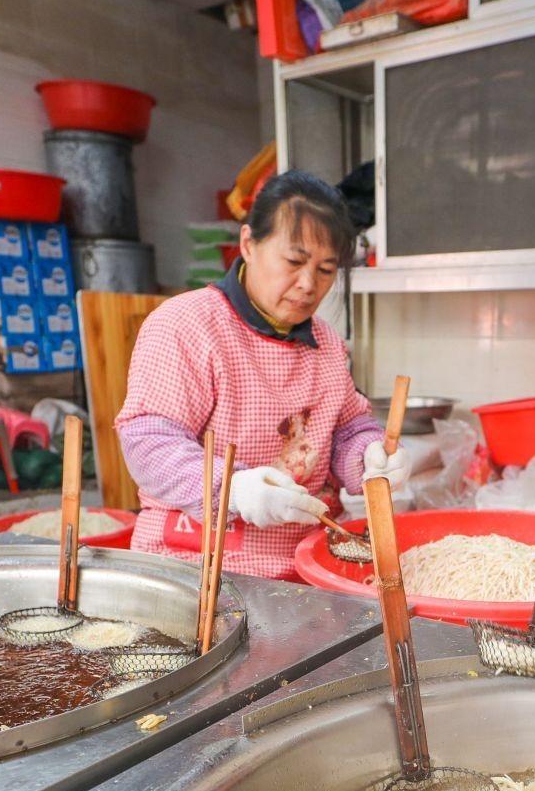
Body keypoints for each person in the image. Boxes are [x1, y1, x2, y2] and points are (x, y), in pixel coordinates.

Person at [117, 172, 407, 579]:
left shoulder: (325, 341)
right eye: (294, 261)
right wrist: (232, 489)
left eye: (326, 270)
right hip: (198, 565)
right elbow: (149, 444)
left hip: (307, 565)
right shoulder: (187, 324)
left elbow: (347, 428)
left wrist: (370, 458)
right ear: (248, 244)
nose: (308, 285)